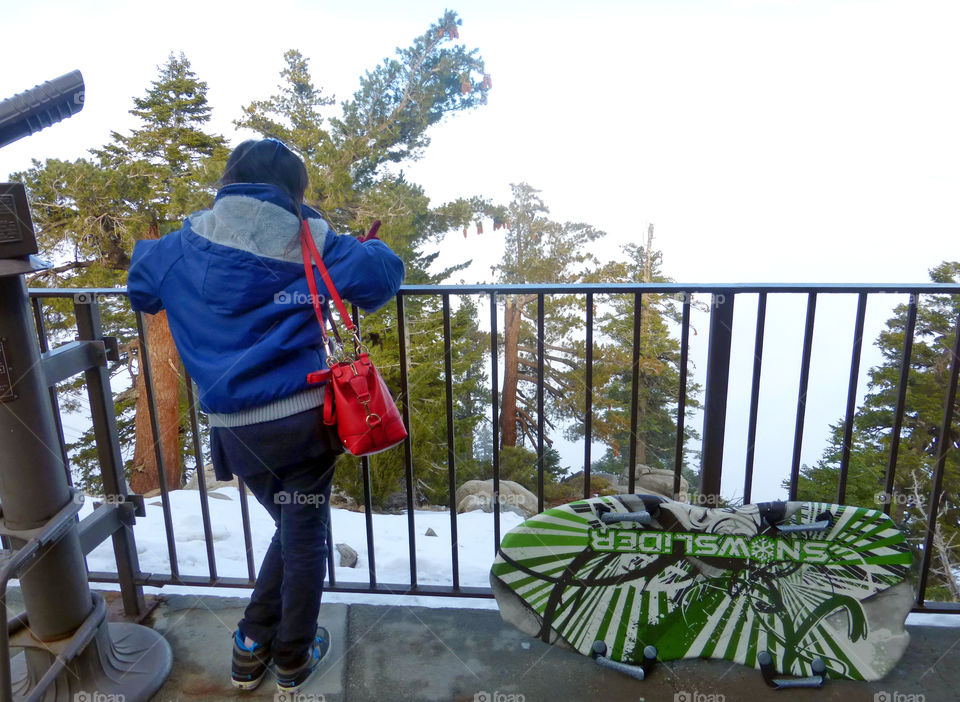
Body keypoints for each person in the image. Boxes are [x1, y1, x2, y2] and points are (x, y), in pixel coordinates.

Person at [126, 138, 405, 694]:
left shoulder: (179, 247)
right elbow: (383, 276)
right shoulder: (310, 238)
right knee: (303, 536)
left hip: (236, 432)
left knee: (293, 526)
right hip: (303, 422)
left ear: (229, 181)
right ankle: (291, 657)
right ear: (293, 191)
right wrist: (314, 222)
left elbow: (141, 287)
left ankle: (251, 648)